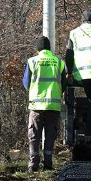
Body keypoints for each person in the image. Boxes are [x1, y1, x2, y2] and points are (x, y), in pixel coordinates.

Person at [23, 36, 66, 171]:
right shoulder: (59, 62)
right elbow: (64, 84)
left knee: (34, 134)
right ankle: (48, 164)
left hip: (36, 105)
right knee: (50, 135)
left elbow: (26, 83)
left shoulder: (32, 61)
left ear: (38, 49)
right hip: (53, 105)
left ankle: (33, 164)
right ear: (49, 48)